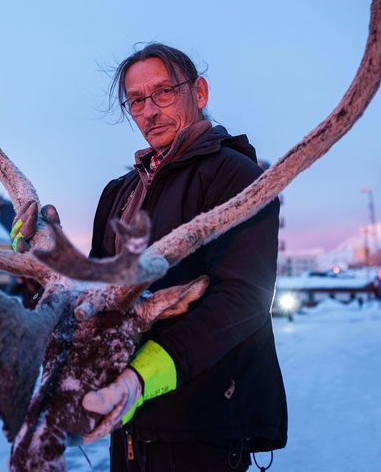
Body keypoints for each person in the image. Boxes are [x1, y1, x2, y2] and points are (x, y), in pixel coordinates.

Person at [83, 43, 287, 471]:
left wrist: (141, 378)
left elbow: (243, 299)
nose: (149, 111)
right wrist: (38, 252)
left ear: (200, 91)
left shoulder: (234, 175)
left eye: (163, 92)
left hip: (202, 423)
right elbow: (96, 297)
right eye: (136, 100)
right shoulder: (118, 192)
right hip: (129, 423)